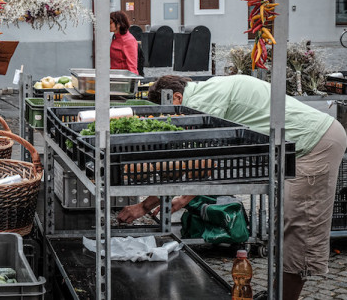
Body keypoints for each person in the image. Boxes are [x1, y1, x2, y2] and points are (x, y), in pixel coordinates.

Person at [117, 74, 347, 300]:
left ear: (176, 97)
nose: (168, 120)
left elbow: (200, 166)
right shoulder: (208, 91)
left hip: (314, 146)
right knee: (285, 227)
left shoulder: (199, 104)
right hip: (299, 146)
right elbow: (199, 165)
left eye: (165, 112)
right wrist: (179, 198)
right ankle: (276, 294)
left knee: (298, 232)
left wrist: (145, 206)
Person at [109, 10, 139, 75]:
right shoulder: (115, 37)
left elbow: (132, 65)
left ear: (119, 24)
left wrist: (132, 82)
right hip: (115, 76)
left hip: (123, 78)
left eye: (110, 22)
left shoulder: (128, 40)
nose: (108, 25)